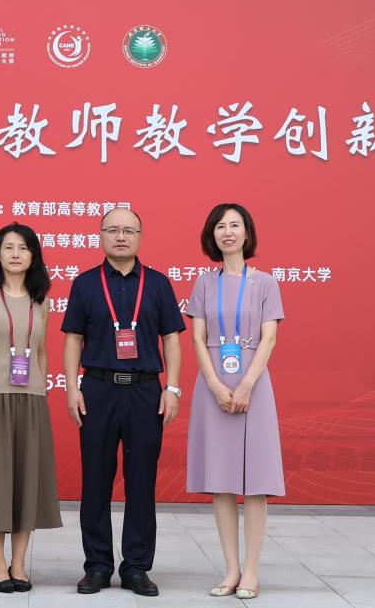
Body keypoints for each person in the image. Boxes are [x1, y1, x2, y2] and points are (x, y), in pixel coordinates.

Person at [62, 207, 186, 597]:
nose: (120, 236)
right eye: (113, 230)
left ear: (140, 237)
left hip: (145, 391)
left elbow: (171, 338)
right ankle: (97, 567)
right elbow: (73, 339)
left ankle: (136, 567)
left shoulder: (158, 284)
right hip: (97, 390)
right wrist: (71, 388)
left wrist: (173, 388)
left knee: (141, 482)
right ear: (100, 235)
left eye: (129, 230)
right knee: (95, 481)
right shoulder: (85, 284)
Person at [185, 203, 285, 600]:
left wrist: (246, 385)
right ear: (212, 235)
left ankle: (252, 572)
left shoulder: (265, 283)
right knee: (222, 483)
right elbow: (197, 337)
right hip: (213, 388)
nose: (227, 232)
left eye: (234, 225)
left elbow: (269, 338)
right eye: (220, 226)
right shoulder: (203, 283)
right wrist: (213, 383)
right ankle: (230, 570)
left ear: (247, 233)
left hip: (254, 386)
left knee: (255, 484)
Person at [0, 222, 62, 593]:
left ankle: (19, 564)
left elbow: (43, 352)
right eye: (8, 247)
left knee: (26, 483)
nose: (15, 254)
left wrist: (41, 390)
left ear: (33, 255)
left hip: (31, 400)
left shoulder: (41, 300)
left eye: (23, 247)